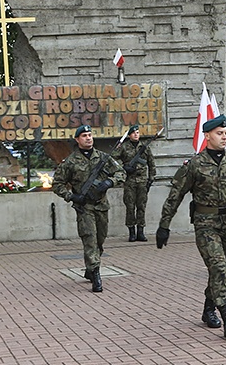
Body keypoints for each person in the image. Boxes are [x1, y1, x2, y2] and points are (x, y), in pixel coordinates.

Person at [155, 115, 226, 338]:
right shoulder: (194, 164)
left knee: (220, 271)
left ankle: (208, 308)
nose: (224, 138)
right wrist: (164, 225)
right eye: (219, 134)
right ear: (207, 136)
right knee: (219, 267)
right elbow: (176, 195)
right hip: (206, 225)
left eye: (225, 134)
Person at [52, 124, 126, 292]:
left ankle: (90, 268)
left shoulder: (103, 158)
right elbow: (57, 184)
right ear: (77, 139)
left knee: (100, 240)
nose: (88, 138)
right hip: (84, 208)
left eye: (90, 135)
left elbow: (120, 173)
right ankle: (96, 275)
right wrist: (72, 196)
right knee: (90, 240)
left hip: (101, 206)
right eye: (84, 135)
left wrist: (110, 182)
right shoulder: (70, 162)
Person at [111, 125, 156, 242]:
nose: (136, 134)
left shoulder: (144, 147)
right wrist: (124, 168)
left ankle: (140, 232)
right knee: (130, 207)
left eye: (138, 132)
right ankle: (132, 232)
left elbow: (151, 164)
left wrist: (151, 179)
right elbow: (112, 160)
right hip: (129, 181)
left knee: (141, 207)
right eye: (134, 133)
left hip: (142, 181)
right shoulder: (124, 147)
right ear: (129, 135)